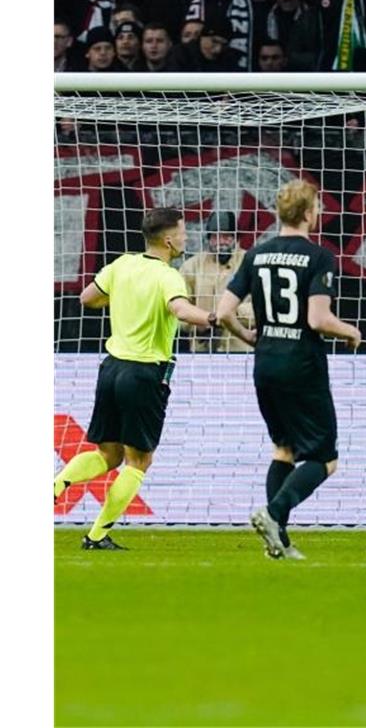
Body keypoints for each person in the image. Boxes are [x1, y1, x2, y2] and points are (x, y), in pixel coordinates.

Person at [53, 208, 227, 550]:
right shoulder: (169, 276)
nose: (186, 237)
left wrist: (120, 299)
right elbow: (180, 310)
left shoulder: (122, 264)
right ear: (167, 239)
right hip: (144, 373)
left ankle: (56, 485)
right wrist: (212, 317)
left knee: (108, 454)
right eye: (182, 232)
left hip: (111, 368)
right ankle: (97, 535)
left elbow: (87, 298)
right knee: (139, 460)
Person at [216, 180, 362, 560]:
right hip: (302, 364)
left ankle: (277, 541)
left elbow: (224, 312)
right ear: (310, 213)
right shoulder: (319, 257)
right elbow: (317, 319)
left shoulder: (256, 255)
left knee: (284, 449)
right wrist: (350, 330)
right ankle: (274, 513)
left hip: (265, 363)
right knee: (324, 458)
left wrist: (251, 337)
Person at [179, 212, 254, 353]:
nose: (220, 242)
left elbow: (264, 308)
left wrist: (230, 314)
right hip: (201, 352)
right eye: (215, 237)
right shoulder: (192, 266)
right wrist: (199, 322)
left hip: (241, 350)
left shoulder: (251, 262)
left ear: (235, 238)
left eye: (226, 236)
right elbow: (177, 311)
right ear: (208, 239)